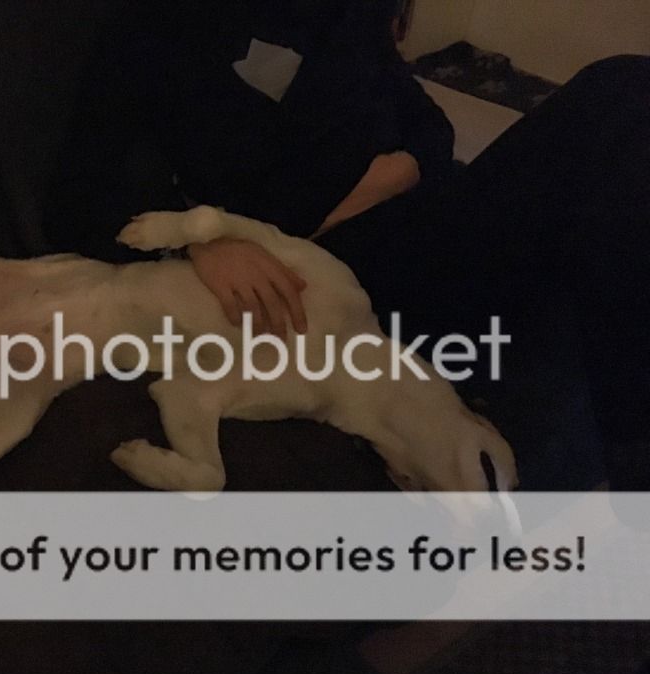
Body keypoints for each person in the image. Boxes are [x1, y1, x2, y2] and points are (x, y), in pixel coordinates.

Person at [46, 0, 650, 491]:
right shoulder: (155, 27)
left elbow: (429, 128)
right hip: (344, 279)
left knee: (627, 98)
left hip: (430, 213)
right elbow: (76, 201)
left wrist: (388, 177)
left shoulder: (344, 11)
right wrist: (199, 244)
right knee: (620, 93)